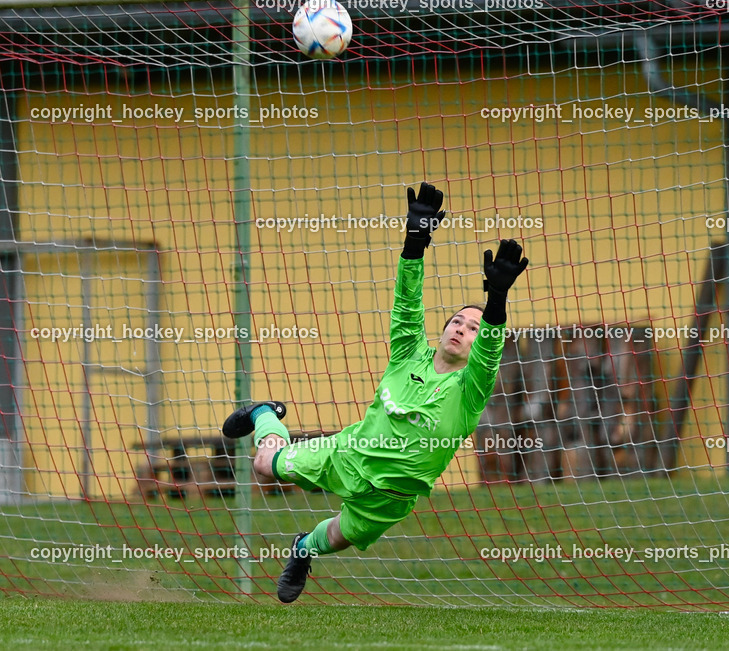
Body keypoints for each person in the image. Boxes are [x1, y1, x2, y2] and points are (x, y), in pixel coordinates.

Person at [222, 182, 528, 602]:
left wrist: (497, 298)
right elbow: (407, 302)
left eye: (473, 328)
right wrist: (416, 239)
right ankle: (264, 412)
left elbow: (491, 352)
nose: (461, 328)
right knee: (262, 464)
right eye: (457, 321)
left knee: (341, 535)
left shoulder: (469, 389)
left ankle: (301, 549)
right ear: (442, 331)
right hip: (348, 454)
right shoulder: (407, 355)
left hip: (392, 496)